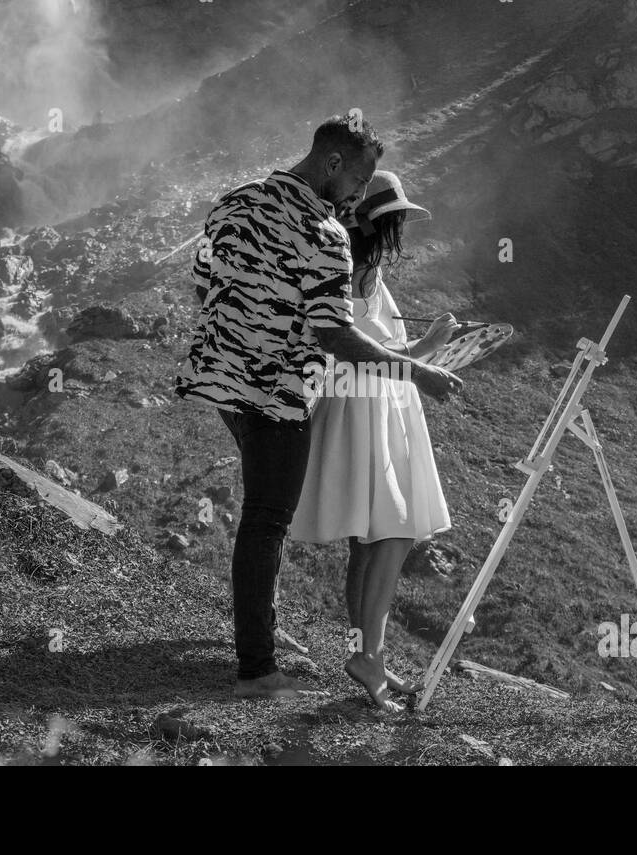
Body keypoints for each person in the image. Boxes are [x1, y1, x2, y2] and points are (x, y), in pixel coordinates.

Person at [175, 115, 464, 700]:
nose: (358, 196)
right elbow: (336, 337)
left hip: (223, 382)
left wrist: (246, 324)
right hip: (279, 392)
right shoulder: (324, 234)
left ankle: (273, 655)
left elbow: (202, 283)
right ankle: (258, 669)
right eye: (358, 180)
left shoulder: (234, 202)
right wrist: (420, 371)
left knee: (262, 518)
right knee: (264, 525)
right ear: (333, 163)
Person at [290, 171, 459, 713]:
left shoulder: (367, 273)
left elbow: (386, 352)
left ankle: (370, 657)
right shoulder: (352, 272)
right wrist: (420, 362)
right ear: (380, 223)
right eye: (397, 220)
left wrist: (428, 345)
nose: (402, 231)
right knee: (394, 531)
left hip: (376, 408)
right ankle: (370, 656)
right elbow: (357, 353)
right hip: (366, 409)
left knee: (370, 539)